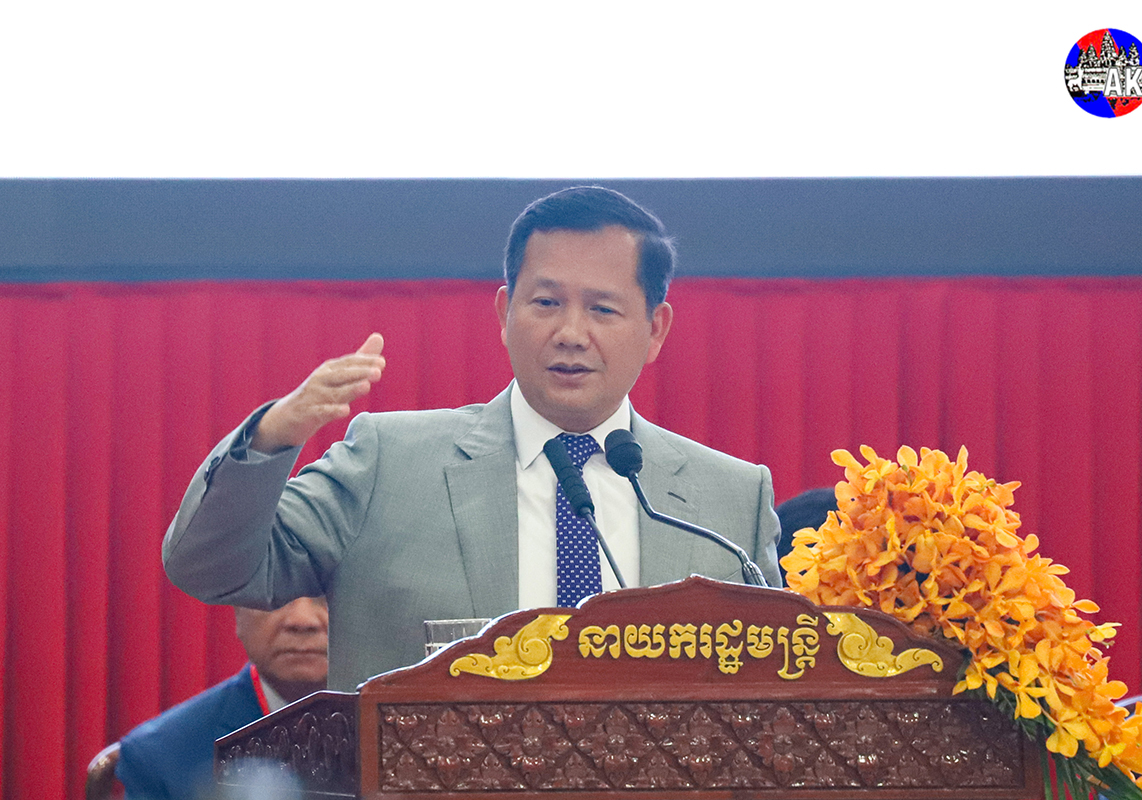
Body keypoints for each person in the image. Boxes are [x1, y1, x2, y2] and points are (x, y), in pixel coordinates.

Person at [162, 186, 782, 691]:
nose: (571, 332)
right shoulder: (388, 463)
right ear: (505, 314)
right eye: (546, 302)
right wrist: (271, 438)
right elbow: (211, 569)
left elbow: (774, 691)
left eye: (602, 309)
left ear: (656, 330)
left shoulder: (730, 500)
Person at [116, 596, 328, 800]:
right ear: (237, 609)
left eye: (328, 595)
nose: (302, 620)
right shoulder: (160, 757)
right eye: (277, 594)